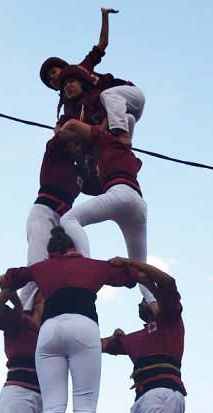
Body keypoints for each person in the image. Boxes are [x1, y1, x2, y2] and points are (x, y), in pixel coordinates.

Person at [0, 227, 140, 413]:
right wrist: (124, 263)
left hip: (49, 331)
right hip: (83, 326)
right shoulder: (92, 265)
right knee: (85, 410)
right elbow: (132, 277)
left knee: (52, 409)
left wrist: (18, 305)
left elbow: (4, 279)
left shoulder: (42, 268)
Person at [102, 258, 186, 413]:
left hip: (161, 393)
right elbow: (102, 345)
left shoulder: (169, 319)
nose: (140, 303)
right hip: (144, 398)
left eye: (143, 298)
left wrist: (134, 268)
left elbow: (168, 283)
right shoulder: (139, 336)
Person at [56, 120, 156, 308]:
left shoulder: (108, 140)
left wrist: (64, 128)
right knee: (139, 266)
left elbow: (74, 124)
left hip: (120, 195)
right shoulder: (118, 157)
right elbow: (89, 187)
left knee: (69, 219)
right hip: (138, 205)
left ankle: (86, 264)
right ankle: (155, 304)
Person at [18, 133, 101, 310]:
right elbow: (61, 136)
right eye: (75, 143)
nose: (77, 148)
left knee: (75, 261)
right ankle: (25, 312)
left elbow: (98, 188)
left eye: (80, 145)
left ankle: (70, 305)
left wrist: (92, 160)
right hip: (44, 212)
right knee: (38, 265)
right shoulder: (54, 155)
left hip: (64, 220)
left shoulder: (79, 172)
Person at [39, 7, 144, 145]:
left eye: (53, 72)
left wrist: (104, 16)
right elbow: (67, 125)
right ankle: (122, 151)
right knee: (115, 130)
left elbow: (102, 44)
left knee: (106, 96)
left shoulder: (81, 69)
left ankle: (122, 135)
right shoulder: (72, 106)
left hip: (128, 96)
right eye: (49, 80)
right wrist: (59, 131)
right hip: (123, 115)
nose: (52, 78)